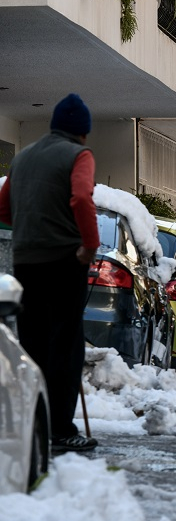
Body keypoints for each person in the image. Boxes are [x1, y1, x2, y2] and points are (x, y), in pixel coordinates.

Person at [0, 94, 100, 452]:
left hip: (27, 260)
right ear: (83, 133)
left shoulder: (23, 157)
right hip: (64, 260)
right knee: (65, 344)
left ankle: (33, 425)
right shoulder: (79, 156)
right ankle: (60, 429)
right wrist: (88, 245)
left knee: (33, 344)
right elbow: (81, 199)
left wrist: (29, 228)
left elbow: (4, 207)